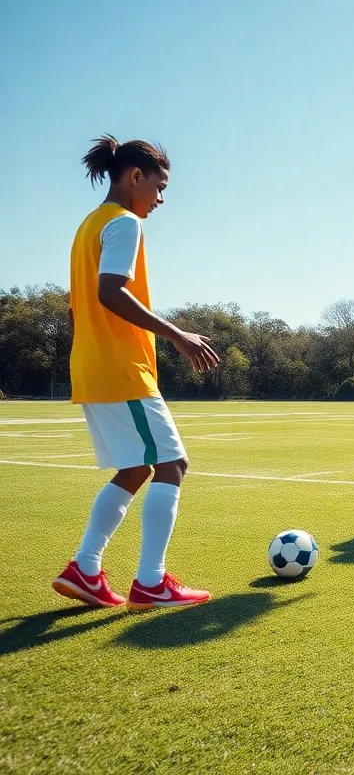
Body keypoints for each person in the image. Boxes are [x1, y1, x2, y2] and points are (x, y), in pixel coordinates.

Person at [52, 135, 219, 611]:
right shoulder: (124, 223)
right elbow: (109, 293)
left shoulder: (89, 225)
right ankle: (151, 582)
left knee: (136, 467)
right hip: (122, 371)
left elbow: (77, 310)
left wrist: (89, 353)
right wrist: (177, 336)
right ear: (135, 176)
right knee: (172, 464)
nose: (160, 199)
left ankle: (85, 568)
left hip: (94, 368)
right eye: (159, 187)